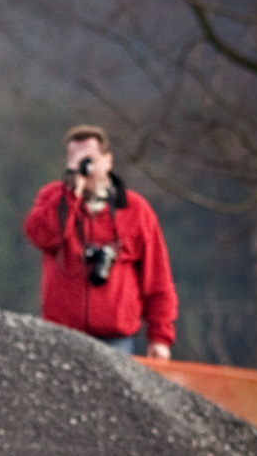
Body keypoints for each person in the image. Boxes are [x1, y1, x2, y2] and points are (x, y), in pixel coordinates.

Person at [23, 124, 178, 359]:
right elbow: (42, 236)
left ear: (108, 161)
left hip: (116, 338)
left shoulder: (135, 210)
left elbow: (157, 279)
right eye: (75, 159)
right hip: (61, 335)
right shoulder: (53, 199)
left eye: (90, 159)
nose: (84, 167)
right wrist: (71, 194)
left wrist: (160, 337)